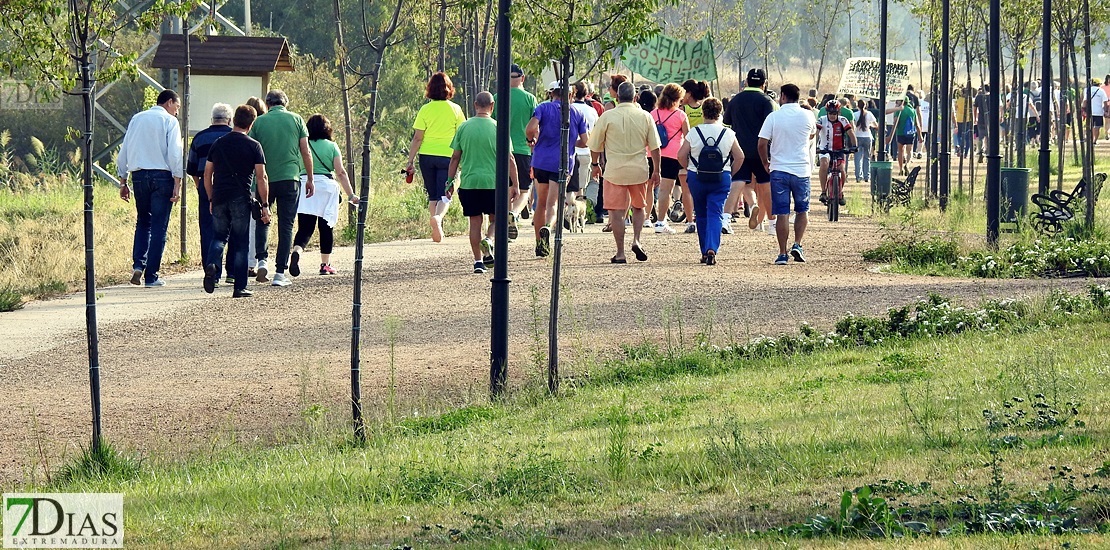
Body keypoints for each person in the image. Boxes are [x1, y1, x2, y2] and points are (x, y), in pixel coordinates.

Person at [446, 91, 521, 273]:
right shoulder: (499, 128)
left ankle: (478, 261)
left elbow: (455, 157)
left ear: (475, 105)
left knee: (475, 221)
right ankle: (488, 239)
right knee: (497, 218)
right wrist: (515, 184)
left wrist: (449, 182)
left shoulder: (464, 127)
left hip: (469, 183)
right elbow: (510, 158)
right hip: (494, 184)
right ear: (493, 106)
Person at [117, 89, 183, 288]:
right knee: (159, 226)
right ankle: (151, 276)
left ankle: (138, 265)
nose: (177, 112)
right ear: (169, 102)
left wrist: (123, 180)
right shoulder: (170, 122)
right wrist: (177, 183)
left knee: (143, 222)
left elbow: (125, 150)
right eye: (177, 107)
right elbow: (174, 153)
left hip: (138, 176)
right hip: (162, 176)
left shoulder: (137, 119)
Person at [202, 104, 270, 298]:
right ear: (251, 123)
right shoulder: (254, 145)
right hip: (241, 197)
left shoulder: (218, 143)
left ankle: (213, 264)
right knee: (240, 243)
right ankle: (239, 287)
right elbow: (261, 177)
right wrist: (264, 204)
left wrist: (210, 197)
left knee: (218, 236)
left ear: (233, 121)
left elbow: (207, 174)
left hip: (220, 196)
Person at [248, 89, 314, 287]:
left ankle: (261, 261)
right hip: (290, 178)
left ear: (268, 104)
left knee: (262, 219)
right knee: (286, 225)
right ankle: (279, 273)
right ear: (285, 103)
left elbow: (252, 149)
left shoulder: (259, 122)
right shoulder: (297, 120)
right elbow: (306, 151)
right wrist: (310, 178)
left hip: (264, 179)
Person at [589, 81, 661, 263]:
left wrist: (595, 164)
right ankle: (636, 239)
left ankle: (620, 252)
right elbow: (655, 147)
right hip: (639, 169)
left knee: (616, 212)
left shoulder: (607, 116)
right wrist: (657, 171)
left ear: (616, 97)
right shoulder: (645, 116)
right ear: (635, 97)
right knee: (639, 207)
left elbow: (595, 144)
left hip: (614, 170)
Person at [288, 114, 358, 277]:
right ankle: (325, 264)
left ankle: (297, 250)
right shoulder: (332, 146)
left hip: (306, 185)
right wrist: (351, 194)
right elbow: (340, 172)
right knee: (326, 227)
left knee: (305, 227)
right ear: (327, 129)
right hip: (326, 187)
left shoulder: (302, 146)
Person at [525, 80, 588, 257]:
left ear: (552, 93)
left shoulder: (543, 108)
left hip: (541, 161)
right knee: (553, 203)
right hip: (561, 162)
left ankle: (539, 243)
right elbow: (585, 141)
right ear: (570, 94)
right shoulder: (576, 112)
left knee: (541, 203)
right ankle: (548, 227)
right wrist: (570, 143)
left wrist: (531, 141)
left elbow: (530, 128)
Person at [677, 97, 744, 265]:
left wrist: (690, 167)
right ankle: (712, 248)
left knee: (700, 213)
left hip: (697, 176)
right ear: (720, 113)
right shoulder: (728, 133)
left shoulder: (694, 132)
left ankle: (703, 250)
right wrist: (730, 171)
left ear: (702, 112)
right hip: (721, 177)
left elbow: (680, 155)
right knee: (716, 212)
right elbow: (740, 156)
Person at [757, 84, 816, 265]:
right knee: (802, 210)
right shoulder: (808, 115)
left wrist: (766, 161)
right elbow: (812, 135)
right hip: (801, 170)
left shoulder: (773, 117)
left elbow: (761, 143)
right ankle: (797, 244)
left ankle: (782, 253)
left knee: (782, 213)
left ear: (782, 96)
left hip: (779, 170)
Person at [406, 72, 467, 243]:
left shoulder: (425, 109)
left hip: (426, 156)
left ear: (430, 89)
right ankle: (438, 219)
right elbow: (461, 134)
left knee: (433, 195)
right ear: (449, 89)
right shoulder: (456, 109)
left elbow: (418, 137)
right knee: (446, 194)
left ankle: (436, 229)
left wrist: (410, 160)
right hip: (448, 156)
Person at [723, 68, 776, 234]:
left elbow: (727, 125)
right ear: (764, 83)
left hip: (739, 150)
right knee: (766, 186)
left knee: (737, 184)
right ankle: (773, 224)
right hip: (761, 150)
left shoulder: (735, 100)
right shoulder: (767, 101)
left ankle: (725, 219)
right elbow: (772, 126)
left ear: (746, 81)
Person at [185, 103, 233, 284]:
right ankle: (232, 272)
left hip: (207, 188)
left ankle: (211, 269)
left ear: (212, 119)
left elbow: (192, 168)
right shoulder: (233, 136)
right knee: (232, 229)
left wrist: (201, 187)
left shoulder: (199, 137)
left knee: (207, 229)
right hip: (230, 188)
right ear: (229, 120)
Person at [495, 64, 537, 240]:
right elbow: (534, 126)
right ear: (523, 78)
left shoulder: (498, 98)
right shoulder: (530, 99)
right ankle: (514, 213)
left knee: (506, 187)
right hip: (524, 149)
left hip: (503, 150)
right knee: (524, 189)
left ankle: (504, 223)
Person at [649, 83, 690, 235]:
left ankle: (647, 218)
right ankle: (660, 221)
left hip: (652, 153)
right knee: (666, 190)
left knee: (648, 188)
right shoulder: (680, 115)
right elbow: (688, 137)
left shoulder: (654, 113)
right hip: (672, 155)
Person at [677, 79, 711, 233]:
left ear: (688, 93)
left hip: (688, 150)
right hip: (705, 152)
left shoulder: (683, 110)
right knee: (704, 187)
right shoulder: (705, 107)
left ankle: (690, 221)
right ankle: (702, 215)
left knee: (686, 188)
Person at [816, 99, 858, 206]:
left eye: (834, 113)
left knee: (842, 170)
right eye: (830, 113)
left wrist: (854, 146)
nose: (832, 116)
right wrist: (815, 147)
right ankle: (823, 191)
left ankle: (840, 192)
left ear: (838, 112)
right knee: (824, 164)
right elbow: (816, 133)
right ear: (827, 112)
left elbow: (851, 133)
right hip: (825, 149)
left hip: (839, 149)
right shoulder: (822, 120)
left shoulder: (843, 120)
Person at [243, 96, 267, 278]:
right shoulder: (264, 130)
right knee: (262, 223)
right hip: (263, 182)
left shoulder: (248, 132)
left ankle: (247, 263)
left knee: (248, 226)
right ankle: (260, 260)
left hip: (247, 184)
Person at [570, 81, 600, 222]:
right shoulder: (592, 111)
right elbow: (596, 133)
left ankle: (566, 213)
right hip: (586, 152)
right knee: (581, 187)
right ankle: (579, 217)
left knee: (567, 186)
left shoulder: (568, 109)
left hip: (569, 152)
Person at [885, 99, 921, 176]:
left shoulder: (898, 110)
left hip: (900, 133)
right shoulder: (912, 110)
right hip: (910, 133)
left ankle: (901, 168)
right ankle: (907, 164)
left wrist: (890, 135)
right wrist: (920, 136)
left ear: (901, 102)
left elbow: (895, 123)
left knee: (900, 151)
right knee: (909, 151)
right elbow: (917, 124)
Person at [852, 99, 877, 183]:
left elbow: (853, 125)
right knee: (867, 157)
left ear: (857, 106)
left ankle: (858, 176)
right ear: (865, 105)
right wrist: (870, 125)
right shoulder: (869, 114)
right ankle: (867, 176)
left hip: (857, 136)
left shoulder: (855, 114)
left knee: (857, 157)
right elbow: (875, 125)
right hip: (867, 136)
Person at [1085, 79, 1108, 144]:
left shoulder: (1087, 90)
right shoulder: (1101, 91)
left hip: (1089, 112)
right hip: (1099, 112)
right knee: (1097, 127)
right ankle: (1094, 141)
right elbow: (1105, 102)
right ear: (1099, 84)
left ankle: (1090, 139)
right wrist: (1106, 111)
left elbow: (1085, 101)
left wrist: (1083, 110)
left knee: (1089, 126)